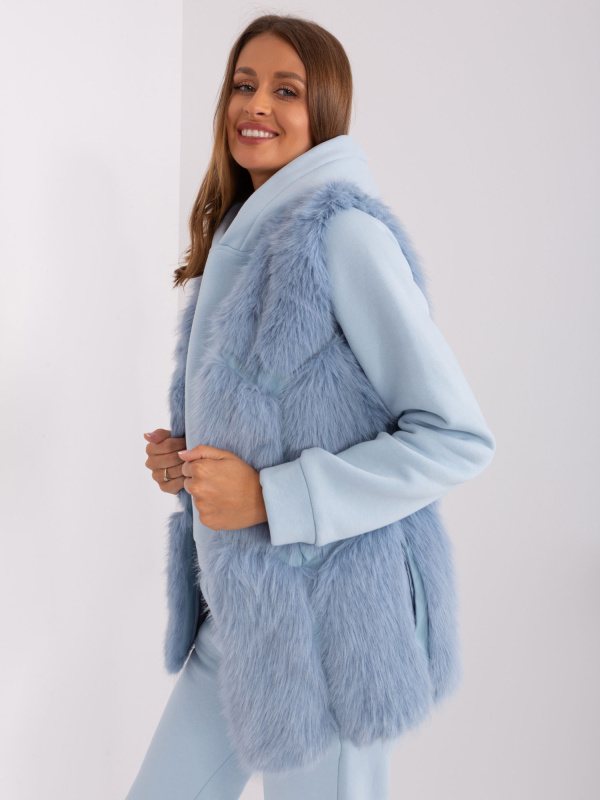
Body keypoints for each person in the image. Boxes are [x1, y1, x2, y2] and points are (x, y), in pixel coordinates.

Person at [126, 13, 496, 800]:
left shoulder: (342, 234)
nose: (256, 104)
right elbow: (279, 416)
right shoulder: (242, 236)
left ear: (323, 109)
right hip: (245, 620)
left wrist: (269, 496)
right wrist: (190, 465)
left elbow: (456, 436)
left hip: (334, 639)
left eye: (286, 90)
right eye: (244, 84)